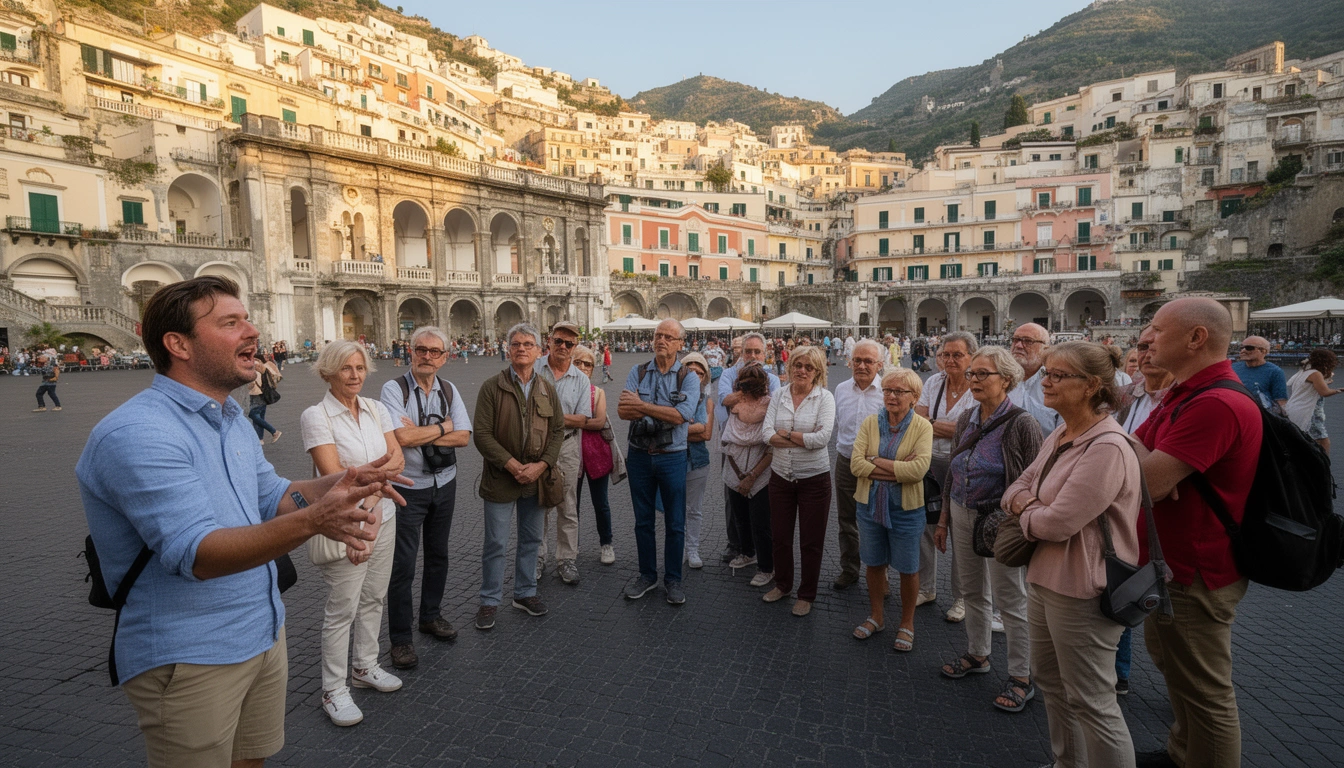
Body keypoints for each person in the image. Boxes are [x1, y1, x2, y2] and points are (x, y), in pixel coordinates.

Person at [78, 276, 404, 767]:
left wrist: (343, 484)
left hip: (262, 631)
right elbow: (199, 554)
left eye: (246, 318)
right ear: (178, 344)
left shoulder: (228, 416)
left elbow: (272, 496)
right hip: (191, 654)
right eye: (231, 322)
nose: (253, 331)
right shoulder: (137, 432)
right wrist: (319, 518)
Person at [1133, 298, 1263, 768]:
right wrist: (1147, 469)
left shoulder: (1216, 404)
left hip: (1194, 571)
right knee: (1177, 673)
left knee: (1206, 694)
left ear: (1196, 338)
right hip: (1170, 564)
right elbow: (1128, 449)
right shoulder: (1184, 396)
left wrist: (1149, 472)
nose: (1147, 338)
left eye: (1157, 330)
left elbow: (1143, 480)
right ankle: (1183, 753)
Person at [1003, 341, 1143, 768]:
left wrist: (1027, 510)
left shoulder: (1107, 447)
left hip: (1083, 586)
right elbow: (1015, 487)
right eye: (1046, 372)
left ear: (1091, 386)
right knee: (1050, 681)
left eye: (1058, 375)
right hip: (1045, 578)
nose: (1045, 381)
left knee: (1092, 702)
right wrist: (1031, 505)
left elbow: (1058, 522)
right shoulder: (1063, 434)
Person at [301, 340, 407, 726]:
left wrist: (371, 481)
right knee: (342, 607)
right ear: (328, 372)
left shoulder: (376, 408)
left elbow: (397, 458)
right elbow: (334, 478)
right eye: (347, 369)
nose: (355, 376)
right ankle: (333, 689)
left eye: (360, 368)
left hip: (385, 514)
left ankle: (364, 667)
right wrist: (377, 481)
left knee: (374, 596)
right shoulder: (317, 416)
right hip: (346, 520)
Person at [934, 346, 1042, 712]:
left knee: (1011, 599)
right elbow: (954, 469)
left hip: (1000, 522)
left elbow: (1036, 482)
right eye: (972, 374)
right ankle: (978, 654)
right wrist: (945, 520)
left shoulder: (1022, 424)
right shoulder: (966, 418)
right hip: (962, 512)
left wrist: (1020, 522)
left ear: (1007, 380)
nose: (974, 380)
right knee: (972, 590)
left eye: (983, 374)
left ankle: (1021, 676)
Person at [379, 326, 472, 670]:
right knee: (402, 565)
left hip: (444, 483)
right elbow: (400, 437)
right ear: (410, 351)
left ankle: (430, 616)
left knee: (438, 555)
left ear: (445, 357)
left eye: (435, 352)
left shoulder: (449, 389)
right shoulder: (394, 388)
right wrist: (444, 428)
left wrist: (422, 434)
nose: (428, 357)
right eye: (422, 350)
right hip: (407, 487)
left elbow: (465, 438)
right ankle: (401, 639)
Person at [473, 323, 564, 630]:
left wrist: (542, 465)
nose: (522, 348)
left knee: (531, 539)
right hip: (501, 478)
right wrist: (511, 465)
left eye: (528, 344)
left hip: (536, 478)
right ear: (507, 349)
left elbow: (558, 431)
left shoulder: (546, 388)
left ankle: (525, 593)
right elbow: (482, 435)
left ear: (540, 351)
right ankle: (489, 600)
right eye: (516, 344)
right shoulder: (491, 387)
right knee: (496, 543)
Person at [850, 367, 932, 651]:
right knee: (873, 563)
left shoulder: (923, 426)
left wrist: (874, 460)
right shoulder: (871, 423)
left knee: (908, 568)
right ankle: (877, 616)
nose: (891, 396)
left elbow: (918, 471)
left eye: (899, 391)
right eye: (887, 390)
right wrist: (898, 469)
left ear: (914, 397)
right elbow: (855, 465)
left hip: (906, 509)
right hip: (869, 504)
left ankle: (907, 623)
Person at [619, 318, 700, 605]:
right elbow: (623, 411)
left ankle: (673, 580)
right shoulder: (637, 371)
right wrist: (661, 412)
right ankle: (647, 575)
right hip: (639, 456)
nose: (661, 340)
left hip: (673, 457)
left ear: (680, 344)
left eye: (668, 336)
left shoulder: (688, 377)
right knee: (643, 521)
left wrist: (642, 408)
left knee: (676, 522)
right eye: (657, 335)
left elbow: (682, 416)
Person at [1112, 326, 1174, 697]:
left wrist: (1119, 446)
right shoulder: (1125, 398)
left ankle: (1183, 698)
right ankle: (1119, 673)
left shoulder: (1183, 402)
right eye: (1138, 351)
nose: (1145, 358)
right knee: (1118, 600)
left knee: (1176, 633)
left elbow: (1165, 480)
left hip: (1163, 529)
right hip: (1121, 516)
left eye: (1152, 349)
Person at [760, 345, 835, 617]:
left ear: (817, 372)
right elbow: (766, 434)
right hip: (780, 476)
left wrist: (787, 434)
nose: (802, 370)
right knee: (780, 536)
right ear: (789, 367)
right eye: (797, 365)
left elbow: (822, 439)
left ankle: (806, 593)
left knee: (811, 541)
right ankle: (783, 584)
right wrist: (801, 435)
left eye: (808, 367)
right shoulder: (779, 395)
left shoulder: (824, 398)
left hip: (814, 479)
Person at [915, 331, 979, 621]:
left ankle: (962, 598)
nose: (950, 360)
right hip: (931, 462)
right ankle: (926, 587)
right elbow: (918, 420)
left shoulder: (978, 386)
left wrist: (932, 423)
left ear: (971, 357)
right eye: (945, 354)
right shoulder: (933, 381)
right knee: (925, 528)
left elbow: (974, 431)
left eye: (957, 355)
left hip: (965, 469)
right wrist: (945, 426)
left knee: (961, 535)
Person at [535, 321, 593, 585]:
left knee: (567, 504)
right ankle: (535, 559)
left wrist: (547, 416)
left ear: (575, 347)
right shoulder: (534, 369)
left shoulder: (581, 379)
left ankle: (566, 559)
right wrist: (561, 418)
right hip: (536, 445)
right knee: (537, 505)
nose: (563, 347)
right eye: (558, 341)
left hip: (568, 446)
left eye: (569, 344)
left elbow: (581, 419)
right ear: (550, 340)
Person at [717, 333, 782, 563]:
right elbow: (725, 400)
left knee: (761, 507)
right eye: (748, 352)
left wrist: (744, 395)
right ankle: (738, 546)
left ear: (765, 354)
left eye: (757, 352)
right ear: (740, 353)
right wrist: (750, 390)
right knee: (734, 500)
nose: (752, 356)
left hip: (761, 451)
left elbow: (772, 409)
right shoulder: (728, 374)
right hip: (732, 450)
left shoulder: (773, 379)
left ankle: (763, 555)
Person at [831, 340, 886, 591]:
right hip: (845, 461)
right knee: (846, 519)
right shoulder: (841, 389)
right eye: (857, 360)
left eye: (868, 361)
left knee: (878, 521)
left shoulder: (888, 390)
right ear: (850, 362)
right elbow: (839, 424)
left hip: (877, 466)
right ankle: (849, 569)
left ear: (880, 365)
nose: (862, 365)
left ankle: (880, 575)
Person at [722, 363, 775, 586]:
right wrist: (740, 474)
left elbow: (772, 445)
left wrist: (753, 475)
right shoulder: (734, 403)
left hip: (761, 468)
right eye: (745, 380)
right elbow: (727, 438)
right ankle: (747, 552)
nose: (749, 385)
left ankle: (766, 566)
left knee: (761, 522)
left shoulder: (772, 405)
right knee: (740, 517)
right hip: (733, 466)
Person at [572, 345, 618, 565]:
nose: (582, 367)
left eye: (587, 364)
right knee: (571, 505)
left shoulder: (598, 393)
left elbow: (599, 422)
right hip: (571, 456)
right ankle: (573, 544)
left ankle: (606, 543)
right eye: (577, 362)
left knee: (601, 503)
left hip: (596, 456)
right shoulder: (562, 391)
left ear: (592, 369)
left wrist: (571, 420)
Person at [680, 352, 714, 568]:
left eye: (700, 373)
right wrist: (693, 427)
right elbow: (698, 428)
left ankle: (692, 550)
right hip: (673, 459)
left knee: (694, 509)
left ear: (704, 378)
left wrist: (677, 427)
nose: (695, 375)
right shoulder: (670, 397)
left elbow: (705, 433)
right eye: (690, 371)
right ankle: (677, 548)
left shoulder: (706, 401)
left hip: (698, 460)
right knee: (675, 508)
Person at [1007, 322, 1061, 434]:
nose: (1018, 345)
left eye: (1028, 341)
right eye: (1015, 340)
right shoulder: (998, 379)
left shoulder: (1057, 384)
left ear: (1045, 349)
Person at [1285, 348, 1340, 454]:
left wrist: (1324, 383)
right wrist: (1339, 390)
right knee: (1323, 441)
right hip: (1309, 412)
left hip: (1294, 408)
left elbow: (1309, 387)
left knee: (1302, 439)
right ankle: (1323, 467)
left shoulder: (1303, 372)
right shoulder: (1316, 374)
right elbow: (1325, 392)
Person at [1232, 335, 1288, 413]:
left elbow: (1281, 402)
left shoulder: (1275, 372)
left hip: (1260, 418)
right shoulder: (1233, 368)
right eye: (1241, 348)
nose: (1243, 351)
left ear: (1263, 351)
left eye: (1249, 348)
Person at [246, 353, 283, 444]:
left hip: (256, 395)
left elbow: (253, 385)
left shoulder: (256, 371)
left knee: (253, 415)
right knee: (260, 417)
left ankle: (274, 431)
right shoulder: (264, 369)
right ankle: (260, 439)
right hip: (263, 395)